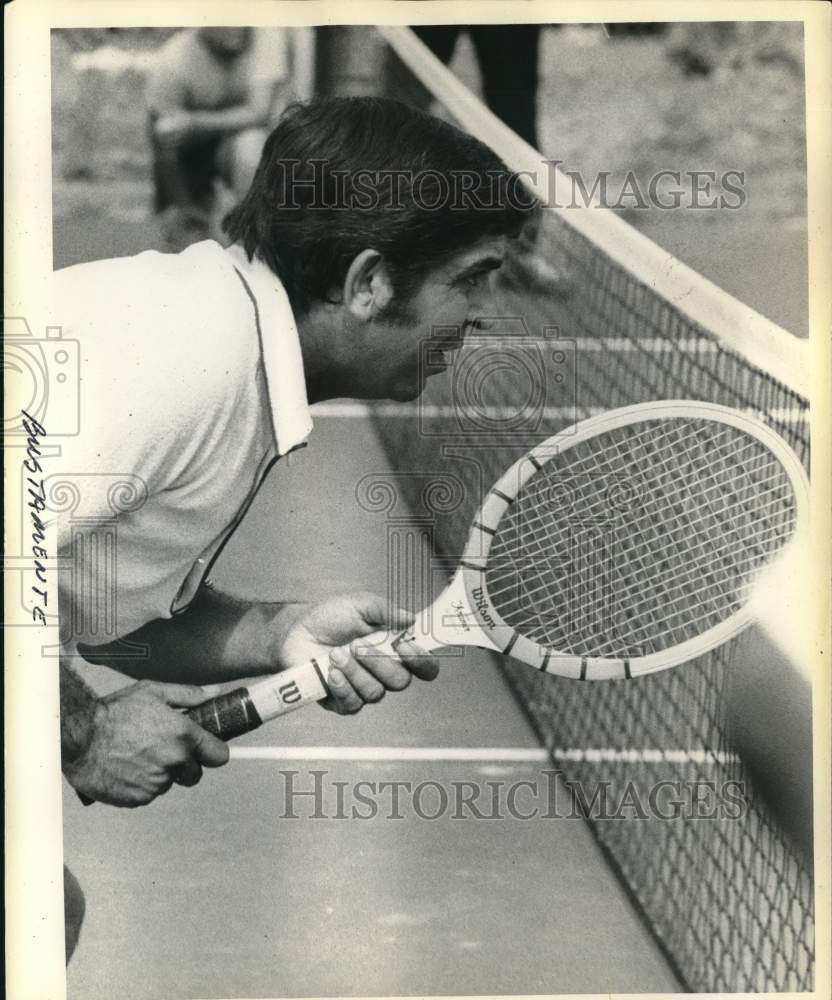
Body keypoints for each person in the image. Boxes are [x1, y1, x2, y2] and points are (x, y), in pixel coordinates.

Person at [57, 96, 536, 810]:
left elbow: (101, 618)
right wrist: (83, 731)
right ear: (368, 282)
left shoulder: (229, 338)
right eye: (469, 277)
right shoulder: (189, 364)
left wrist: (281, 633)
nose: (481, 312)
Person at [146, 27, 306, 248]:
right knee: (185, 239)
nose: (236, 28)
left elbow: (259, 113)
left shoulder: (264, 38)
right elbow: (163, 148)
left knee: (252, 147)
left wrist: (193, 122)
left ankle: (255, 238)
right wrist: (182, 204)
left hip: (237, 145)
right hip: (190, 156)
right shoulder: (173, 62)